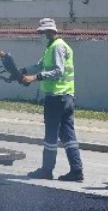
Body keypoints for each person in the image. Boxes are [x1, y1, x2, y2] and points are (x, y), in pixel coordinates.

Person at [20, 18, 84, 182]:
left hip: (56, 98)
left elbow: (58, 71)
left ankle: (47, 170)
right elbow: (40, 66)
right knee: (68, 136)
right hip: (66, 97)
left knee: (50, 137)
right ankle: (76, 171)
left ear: (50, 32)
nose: (39, 35)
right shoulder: (52, 47)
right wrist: (23, 71)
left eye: (41, 33)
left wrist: (35, 78)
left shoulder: (56, 47)